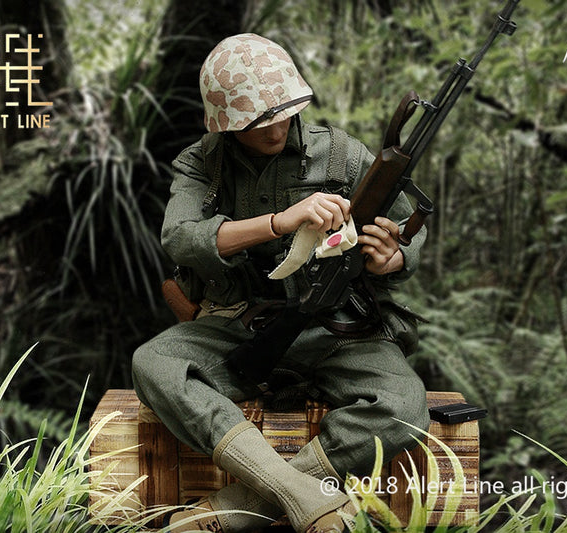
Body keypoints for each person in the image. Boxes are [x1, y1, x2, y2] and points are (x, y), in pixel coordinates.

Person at [132, 33, 429, 533]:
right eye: (257, 122)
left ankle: (242, 506)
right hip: (238, 323)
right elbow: (181, 238)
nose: (274, 129)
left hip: (334, 325)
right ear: (227, 124)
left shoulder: (341, 156)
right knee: (154, 364)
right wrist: (279, 221)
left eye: (282, 113)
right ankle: (301, 495)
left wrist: (391, 258)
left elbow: (406, 234)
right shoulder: (202, 163)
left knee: (403, 404)